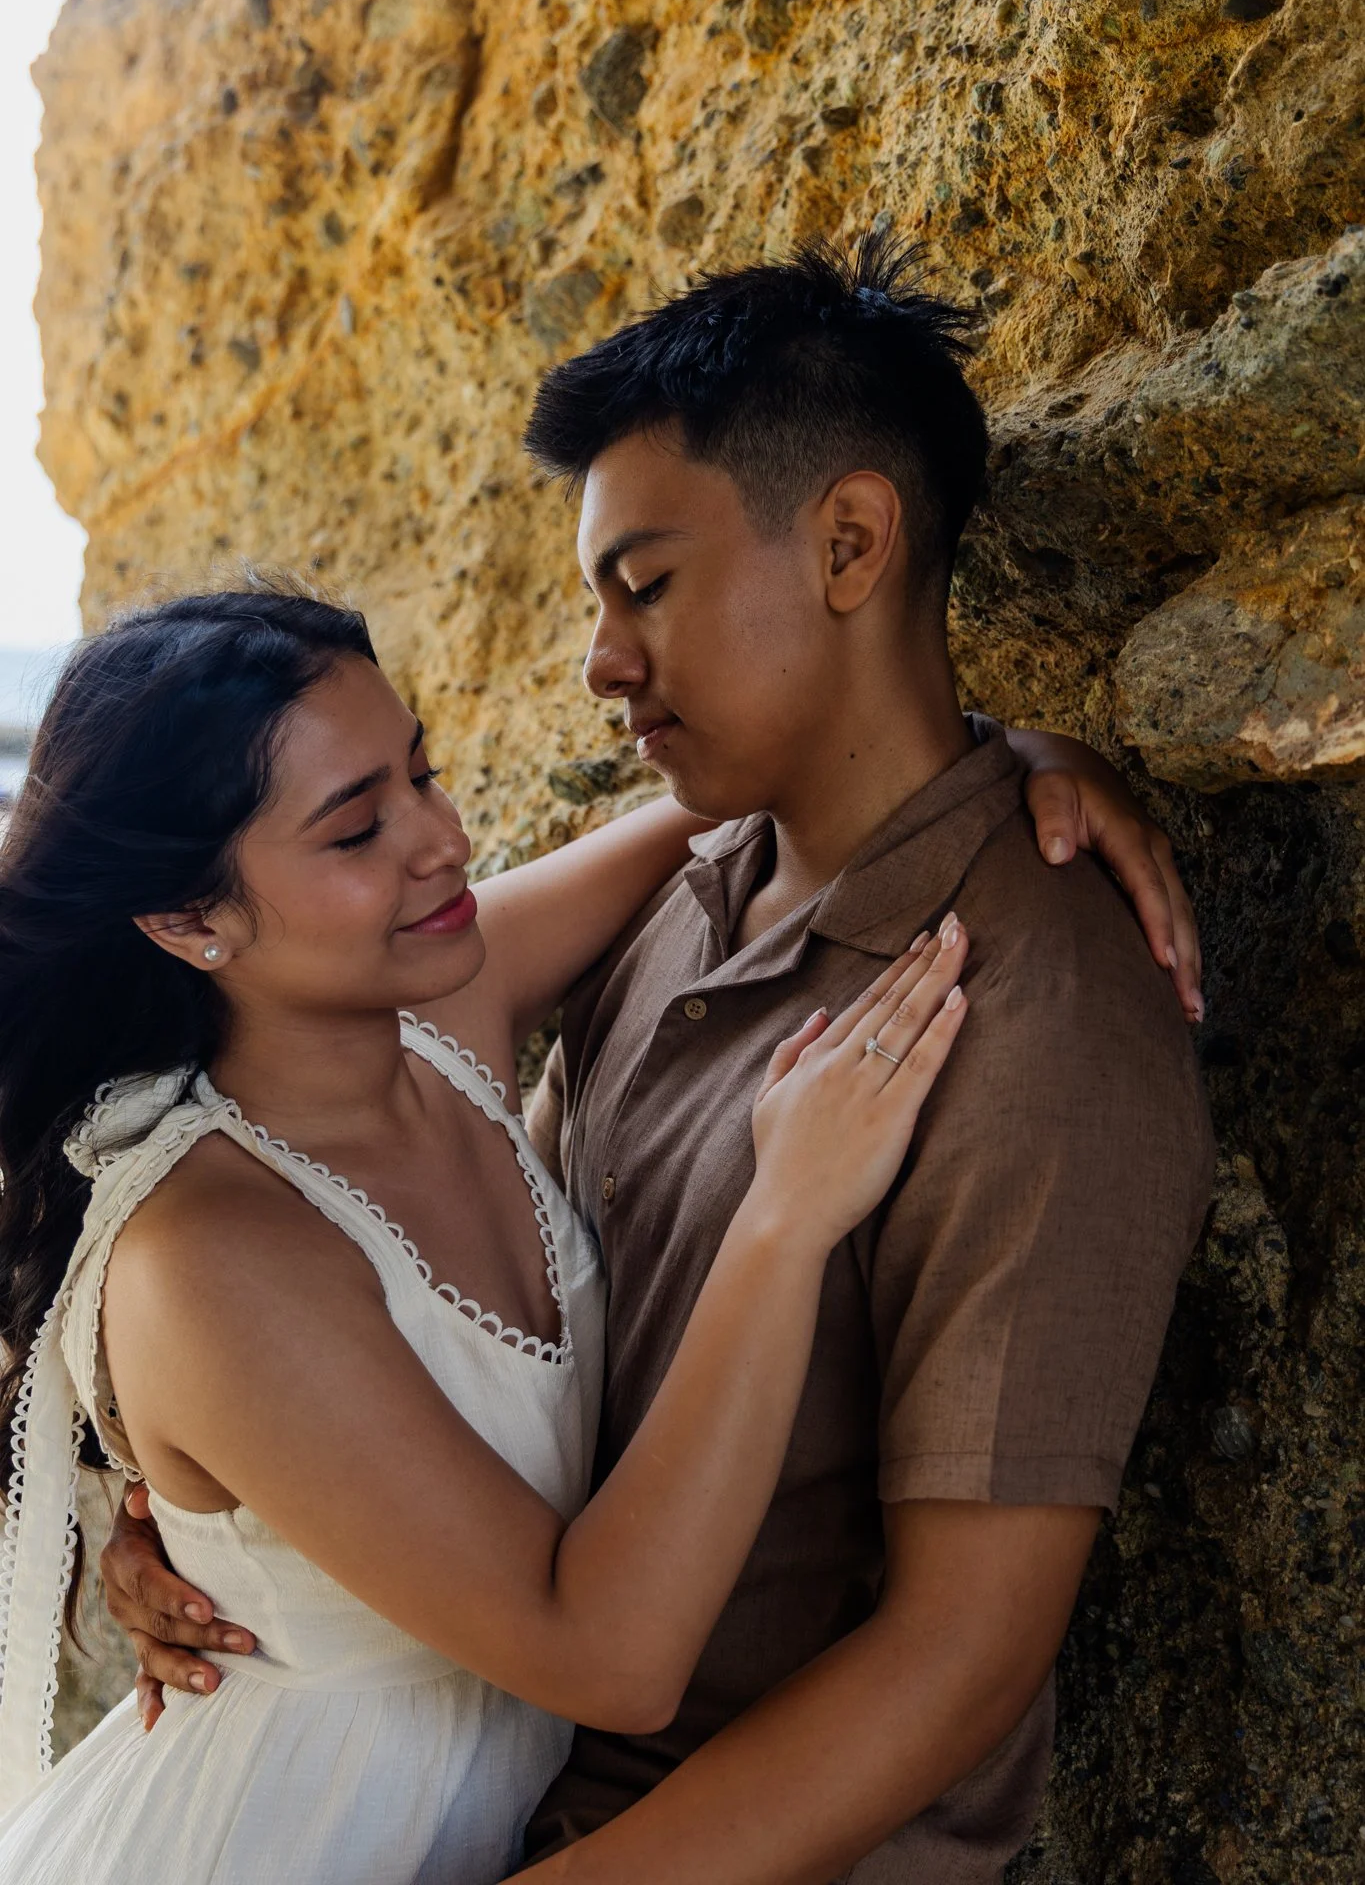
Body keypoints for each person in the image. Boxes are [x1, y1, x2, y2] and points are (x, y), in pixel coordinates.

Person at [102, 236, 1212, 1885]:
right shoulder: (679, 906)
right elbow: (482, 1336)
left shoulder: (1028, 1001)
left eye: (648, 585)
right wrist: (219, 1517)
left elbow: (963, 1660)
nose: (602, 662)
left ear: (850, 544)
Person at [0, 582, 977, 1884]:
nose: (443, 839)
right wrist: (783, 1221)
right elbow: (610, 1659)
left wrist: (1034, 769)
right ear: (189, 922)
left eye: (424, 772)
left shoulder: (443, 1021)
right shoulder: (212, 1260)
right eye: (357, 830)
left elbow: (744, 800)